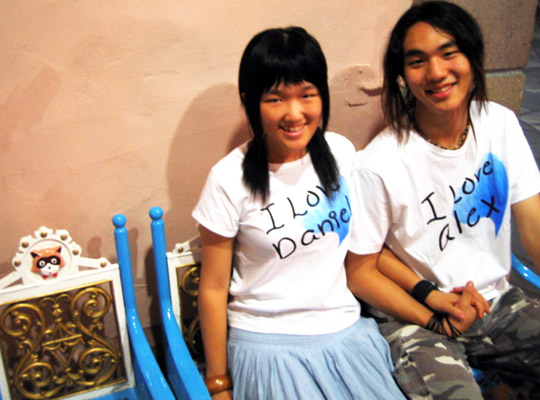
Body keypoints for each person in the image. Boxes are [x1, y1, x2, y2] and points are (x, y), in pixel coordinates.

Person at [192, 26, 406, 400]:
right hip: (267, 343)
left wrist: (431, 299)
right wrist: (218, 383)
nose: (294, 113)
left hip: (346, 333)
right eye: (276, 99)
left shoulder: (341, 153)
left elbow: (364, 250)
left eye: (307, 95)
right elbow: (212, 289)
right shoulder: (227, 178)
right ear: (251, 101)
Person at [347, 1, 540, 399]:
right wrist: (435, 317)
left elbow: (534, 229)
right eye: (418, 61)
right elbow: (359, 272)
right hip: (416, 319)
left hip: (496, 303)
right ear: (402, 74)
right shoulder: (379, 163)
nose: (436, 72)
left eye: (449, 53)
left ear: (472, 56)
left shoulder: (499, 124)